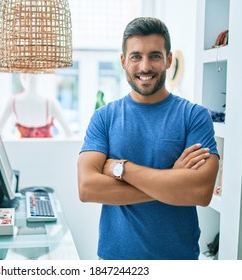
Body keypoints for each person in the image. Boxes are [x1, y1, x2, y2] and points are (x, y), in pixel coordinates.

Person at [77, 17, 219, 260]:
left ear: (168, 60)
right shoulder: (104, 118)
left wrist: (121, 168)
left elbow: (201, 192)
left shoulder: (194, 116)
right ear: (123, 61)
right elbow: (88, 188)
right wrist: (172, 183)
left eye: (154, 56)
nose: (145, 66)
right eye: (136, 56)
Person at [0, 73, 73, 138]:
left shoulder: (50, 103)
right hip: (43, 154)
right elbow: (69, 134)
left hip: (24, 154)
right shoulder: (51, 103)